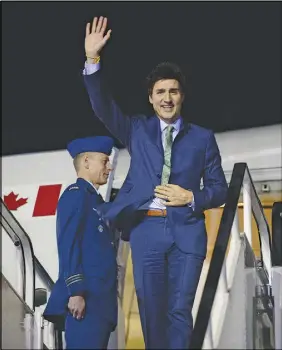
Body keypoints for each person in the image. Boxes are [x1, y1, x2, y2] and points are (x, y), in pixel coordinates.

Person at [82, 16, 228, 349]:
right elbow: (104, 107)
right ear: (150, 98)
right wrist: (92, 60)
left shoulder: (203, 138)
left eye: (173, 91)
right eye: (160, 92)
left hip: (187, 230)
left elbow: (219, 189)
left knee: (179, 311)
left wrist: (191, 196)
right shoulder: (136, 130)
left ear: (182, 96)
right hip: (147, 230)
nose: (167, 97)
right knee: (150, 313)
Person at [43, 136, 118, 349]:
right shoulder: (76, 195)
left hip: (99, 302)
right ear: (86, 162)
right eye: (104, 161)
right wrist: (76, 291)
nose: (109, 167)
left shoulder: (96, 201)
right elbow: (68, 244)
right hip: (85, 300)